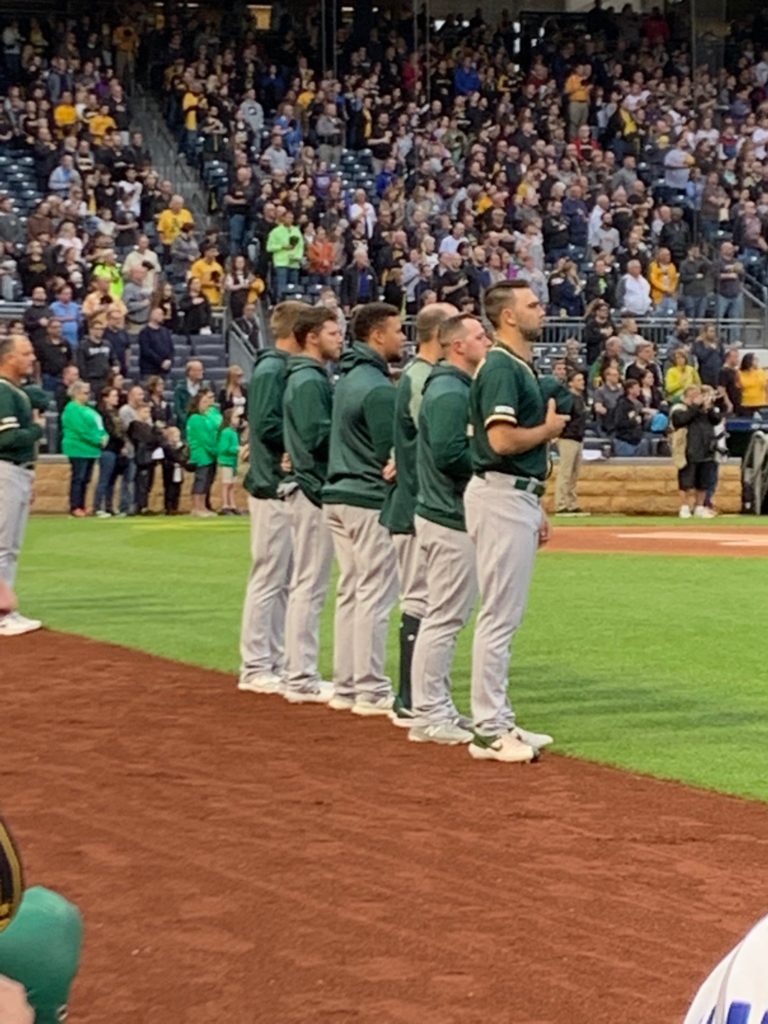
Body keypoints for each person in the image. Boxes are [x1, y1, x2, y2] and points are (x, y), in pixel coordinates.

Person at [464, 280, 570, 763]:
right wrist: (547, 432)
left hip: (516, 494)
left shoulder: (517, 365)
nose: (539, 309)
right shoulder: (504, 367)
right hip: (501, 492)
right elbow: (503, 442)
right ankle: (488, 727)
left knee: (506, 614)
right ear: (507, 315)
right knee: (500, 615)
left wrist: (538, 502)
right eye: (530, 304)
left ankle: (499, 718)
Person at [407, 314, 491, 746]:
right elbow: (449, 453)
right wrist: (492, 453)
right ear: (457, 345)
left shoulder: (452, 387)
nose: (487, 341)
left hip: (445, 511)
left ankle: (435, 708)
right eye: (479, 336)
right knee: (444, 617)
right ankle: (429, 712)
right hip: (448, 512)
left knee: (446, 615)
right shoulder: (448, 391)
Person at [322, 302, 405, 715]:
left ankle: (348, 684)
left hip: (337, 493)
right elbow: (390, 455)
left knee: (352, 591)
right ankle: (370, 689)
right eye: (397, 330)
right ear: (377, 335)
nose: (402, 337)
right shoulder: (375, 386)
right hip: (367, 496)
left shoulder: (347, 377)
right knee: (374, 593)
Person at [379, 302, 458, 722]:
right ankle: (412, 697)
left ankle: (421, 695)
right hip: (416, 504)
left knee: (428, 601)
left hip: (416, 501)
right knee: (422, 601)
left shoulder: (421, 375)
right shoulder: (422, 377)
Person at [238, 301, 304, 693]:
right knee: (269, 575)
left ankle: (274, 659)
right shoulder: (272, 368)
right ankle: (256, 664)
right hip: (269, 483)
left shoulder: (276, 367)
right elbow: (265, 423)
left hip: (276, 482)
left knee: (283, 577)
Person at [281, 306, 343, 702]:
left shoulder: (309, 377)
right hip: (312, 486)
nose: (339, 338)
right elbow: (316, 435)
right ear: (311, 336)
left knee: (308, 583)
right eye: (332, 332)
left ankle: (298, 671)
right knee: (309, 583)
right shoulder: (308, 379)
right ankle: (300, 674)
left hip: (308, 483)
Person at [0, 334, 45, 637]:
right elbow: (6, 438)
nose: (31, 358)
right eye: (26, 353)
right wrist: (35, 430)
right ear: (9, 357)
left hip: (18, 471)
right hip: (6, 470)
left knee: (11, 547)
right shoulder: (3, 391)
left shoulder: (15, 390)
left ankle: (7, 609)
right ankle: (3, 612)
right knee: (3, 546)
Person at [670, 384, 720, 518]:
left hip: (706, 448)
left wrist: (708, 408)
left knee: (703, 482)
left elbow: (716, 420)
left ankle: (699, 506)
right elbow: (680, 420)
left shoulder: (705, 410)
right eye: (695, 395)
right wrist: (695, 407)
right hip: (688, 449)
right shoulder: (679, 408)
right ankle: (684, 507)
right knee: (686, 481)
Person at [60, 380, 108, 516]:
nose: (88, 395)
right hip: (78, 448)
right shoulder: (71, 409)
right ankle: (75, 506)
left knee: (86, 479)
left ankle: (82, 504)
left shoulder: (89, 409)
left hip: (91, 450)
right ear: (76, 393)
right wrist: (97, 439)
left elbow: (99, 426)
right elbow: (81, 430)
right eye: (85, 393)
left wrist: (104, 436)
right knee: (78, 478)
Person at [555, 370, 589, 515]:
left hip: (578, 438)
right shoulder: (568, 398)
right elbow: (562, 416)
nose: (582, 382)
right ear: (570, 383)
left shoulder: (580, 398)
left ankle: (571, 502)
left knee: (574, 474)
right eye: (578, 380)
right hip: (568, 437)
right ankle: (561, 503)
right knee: (566, 472)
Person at [186, 388, 219, 517]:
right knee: (201, 480)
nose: (207, 404)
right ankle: (196, 507)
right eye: (204, 402)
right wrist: (215, 450)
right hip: (202, 455)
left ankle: (203, 506)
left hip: (209, 454)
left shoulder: (205, 417)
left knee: (207, 481)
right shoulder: (196, 418)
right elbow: (204, 439)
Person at [93, 385, 124, 518]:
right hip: (108, 449)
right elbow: (110, 431)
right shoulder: (102, 414)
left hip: (116, 449)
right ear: (105, 398)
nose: (116, 398)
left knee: (112, 480)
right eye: (113, 396)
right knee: (104, 479)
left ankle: (109, 506)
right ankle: (98, 506)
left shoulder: (115, 412)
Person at [613, 379, 651, 456]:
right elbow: (618, 423)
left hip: (637, 440)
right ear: (630, 390)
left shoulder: (638, 404)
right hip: (625, 442)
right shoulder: (622, 404)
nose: (639, 389)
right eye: (636, 387)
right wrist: (634, 421)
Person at [216, 408, 242, 515]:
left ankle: (232, 504)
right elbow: (223, 448)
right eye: (235, 417)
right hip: (226, 461)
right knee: (226, 484)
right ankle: (225, 505)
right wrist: (237, 449)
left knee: (231, 484)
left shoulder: (233, 432)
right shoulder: (226, 432)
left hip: (232, 462)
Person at [75, 322, 113, 396]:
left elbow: (113, 359)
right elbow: (81, 365)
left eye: (101, 329)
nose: (100, 331)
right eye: (97, 329)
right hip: (91, 380)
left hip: (105, 380)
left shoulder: (107, 344)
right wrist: (85, 381)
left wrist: (116, 365)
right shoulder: (83, 346)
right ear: (90, 330)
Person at [173, 360, 207, 437]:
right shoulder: (180, 389)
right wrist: (189, 422)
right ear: (190, 372)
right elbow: (178, 410)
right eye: (198, 370)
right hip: (185, 425)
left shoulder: (205, 387)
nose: (202, 372)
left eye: (202, 370)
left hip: (202, 423)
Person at [138, 308, 174, 379]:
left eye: (162, 314)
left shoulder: (165, 331)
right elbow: (146, 351)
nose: (162, 316)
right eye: (159, 314)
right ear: (152, 315)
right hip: (149, 370)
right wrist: (161, 362)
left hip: (164, 370)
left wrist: (170, 360)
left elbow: (171, 348)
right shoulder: (145, 332)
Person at [161, 426, 188, 515]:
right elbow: (171, 457)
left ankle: (175, 507)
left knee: (177, 488)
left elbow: (184, 457)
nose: (177, 437)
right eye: (175, 435)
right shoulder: (166, 446)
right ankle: (168, 508)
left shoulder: (182, 445)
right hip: (170, 470)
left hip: (178, 470)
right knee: (169, 489)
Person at [718, 347, 742, 414]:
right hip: (731, 402)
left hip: (738, 402)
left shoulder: (734, 371)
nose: (738, 359)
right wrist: (728, 403)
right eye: (735, 357)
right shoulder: (724, 371)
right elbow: (721, 388)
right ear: (728, 358)